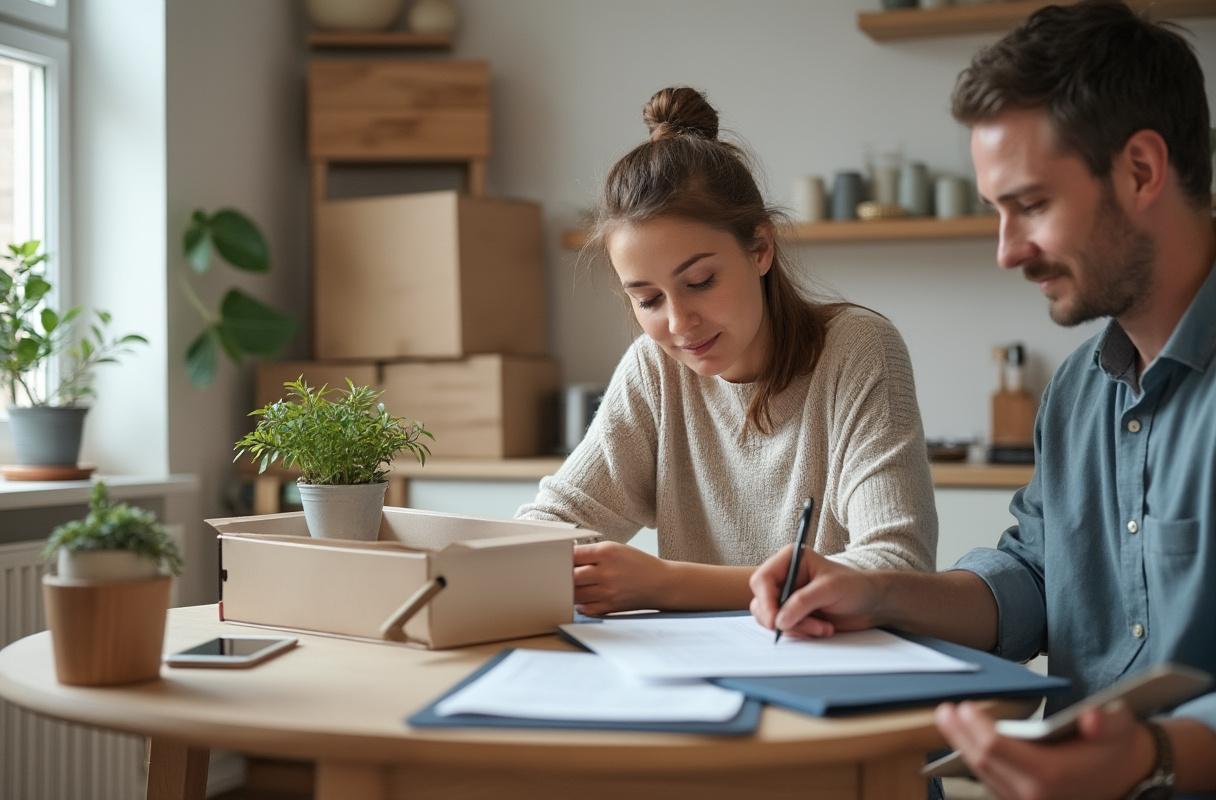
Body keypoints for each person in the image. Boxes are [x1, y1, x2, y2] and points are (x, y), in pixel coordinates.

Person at [750, 2, 1216, 798]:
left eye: (1030, 205)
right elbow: (1033, 583)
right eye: (997, 211)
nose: (1006, 252)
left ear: (1141, 170)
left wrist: (1149, 758)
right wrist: (874, 591)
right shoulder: (1075, 392)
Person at [516, 86, 938, 616]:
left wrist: (668, 585)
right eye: (646, 299)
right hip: (696, 681)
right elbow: (551, 525)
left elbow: (900, 567)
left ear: (760, 248)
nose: (676, 323)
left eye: (700, 281)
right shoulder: (655, 368)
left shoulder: (858, 349)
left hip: (832, 669)